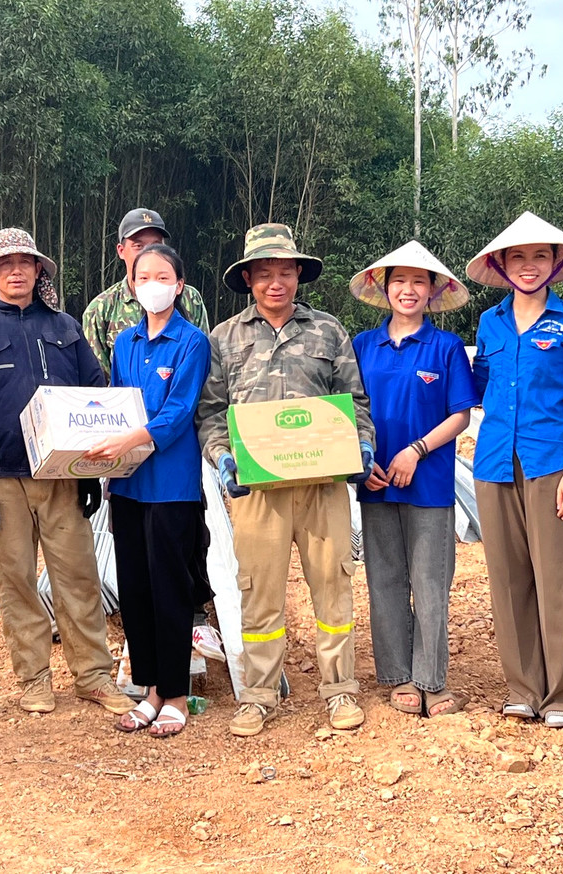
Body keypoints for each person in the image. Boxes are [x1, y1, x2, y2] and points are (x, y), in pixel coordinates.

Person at [0, 228, 134, 717]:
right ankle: (33, 678)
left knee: (78, 577)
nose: (17, 272)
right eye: (6, 266)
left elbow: (95, 391)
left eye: (26, 263)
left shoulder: (66, 329)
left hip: (61, 477)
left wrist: (90, 470)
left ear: (40, 272)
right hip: (2, 479)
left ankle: (92, 675)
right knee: (18, 580)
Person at [197, 223, 376, 737]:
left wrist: (361, 445)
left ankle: (340, 690)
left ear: (299, 274)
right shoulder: (225, 337)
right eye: (264, 273)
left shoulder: (328, 331)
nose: (276, 282)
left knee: (333, 588)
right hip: (256, 492)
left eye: (285, 272)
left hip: (323, 486)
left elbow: (355, 401)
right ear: (249, 278)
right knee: (260, 593)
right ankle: (257, 695)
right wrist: (223, 456)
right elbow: (211, 412)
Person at [466, 212, 563, 729]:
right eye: (517, 257)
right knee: (508, 578)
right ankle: (523, 687)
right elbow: (480, 388)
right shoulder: (490, 322)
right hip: (494, 462)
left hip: (550, 464)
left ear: (557, 262)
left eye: (539, 256)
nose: (528, 266)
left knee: (555, 579)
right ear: (501, 265)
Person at [81, 244, 211, 738]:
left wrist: (129, 439)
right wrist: (106, 454)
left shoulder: (191, 342)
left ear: (179, 286)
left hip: (172, 486)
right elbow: (117, 405)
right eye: (143, 276)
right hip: (129, 485)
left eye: (164, 276)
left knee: (170, 588)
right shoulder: (125, 343)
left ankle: (175, 693)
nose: (152, 283)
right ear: (131, 285)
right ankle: (150, 688)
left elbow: (178, 414)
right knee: (135, 589)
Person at [348, 242, 476, 718]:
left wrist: (416, 451)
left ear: (433, 291)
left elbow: (460, 415)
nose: (408, 290)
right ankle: (398, 676)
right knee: (384, 578)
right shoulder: (363, 345)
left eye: (418, 282)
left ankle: (432, 678)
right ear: (385, 288)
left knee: (429, 580)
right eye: (399, 281)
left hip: (430, 482)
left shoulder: (444, 347)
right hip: (376, 480)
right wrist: (364, 463)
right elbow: (348, 411)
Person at [82, 207, 209, 381]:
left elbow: (202, 367)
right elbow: (99, 379)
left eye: (156, 245)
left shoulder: (189, 298)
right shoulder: (101, 309)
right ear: (121, 250)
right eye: (138, 246)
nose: (148, 253)